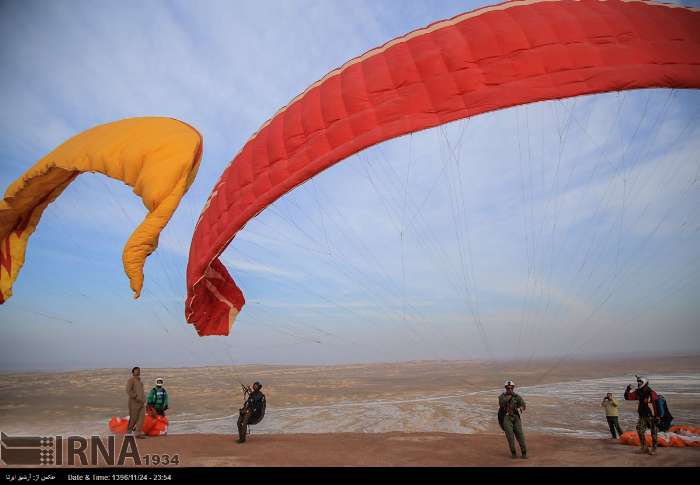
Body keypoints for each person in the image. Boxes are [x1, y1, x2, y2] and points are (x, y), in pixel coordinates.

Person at [624, 375, 660, 455]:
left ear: (644, 382)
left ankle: (654, 448)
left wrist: (657, 416)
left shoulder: (651, 392)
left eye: (640, 382)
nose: (639, 383)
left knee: (653, 432)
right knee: (639, 430)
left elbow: (656, 404)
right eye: (638, 382)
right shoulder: (638, 392)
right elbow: (628, 397)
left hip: (652, 416)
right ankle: (644, 447)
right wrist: (628, 389)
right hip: (642, 416)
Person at [498, 380, 527, 459]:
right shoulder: (502, 396)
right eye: (508, 388)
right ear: (505, 388)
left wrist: (521, 407)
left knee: (520, 435)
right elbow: (502, 403)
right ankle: (513, 453)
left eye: (511, 388)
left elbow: (523, 404)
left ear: (513, 388)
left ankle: (524, 453)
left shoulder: (517, 396)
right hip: (506, 418)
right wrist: (510, 397)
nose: (510, 389)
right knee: (510, 437)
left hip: (515, 417)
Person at [126, 367, 146, 439]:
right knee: (133, 418)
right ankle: (128, 431)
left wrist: (144, 399)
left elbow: (142, 392)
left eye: (139, 370)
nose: (138, 371)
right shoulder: (131, 380)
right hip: (134, 403)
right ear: (133, 372)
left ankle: (137, 433)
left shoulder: (140, 382)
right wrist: (135, 396)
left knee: (142, 417)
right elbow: (128, 390)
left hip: (141, 402)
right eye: (136, 370)